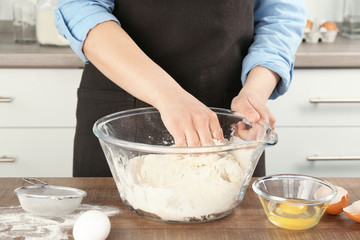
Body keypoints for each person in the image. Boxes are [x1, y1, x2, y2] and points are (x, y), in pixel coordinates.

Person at [55, 0, 306, 177]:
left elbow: (280, 16)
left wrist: (255, 92)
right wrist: (168, 96)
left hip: (228, 115)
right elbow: (81, 7)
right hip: (120, 108)